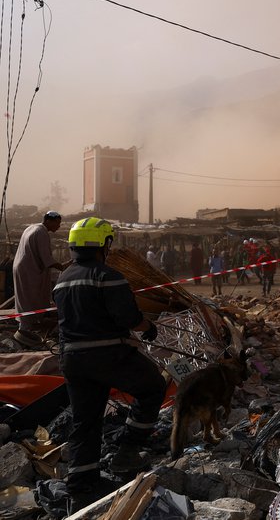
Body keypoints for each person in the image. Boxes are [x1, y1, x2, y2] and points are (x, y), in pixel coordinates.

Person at [52, 217, 166, 503]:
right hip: (108, 355)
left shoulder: (63, 279)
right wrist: (148, 328)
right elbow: (128, 318)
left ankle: (81, 484)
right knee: (152, 386)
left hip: (72, 359)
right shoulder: (109, 276)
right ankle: (128, 452)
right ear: (103, 244)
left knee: (86, 420)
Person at [13, 211, 69, 348]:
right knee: (30, 299)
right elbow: (47, 260)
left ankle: (26, 329)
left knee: (24, 298)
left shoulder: (31, 227)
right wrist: (64, 266)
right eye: (58, 223)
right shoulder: (42, 233)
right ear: (49, 221)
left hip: (22, 267)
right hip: (30, 270)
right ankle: (25, 333)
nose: (59, 226)